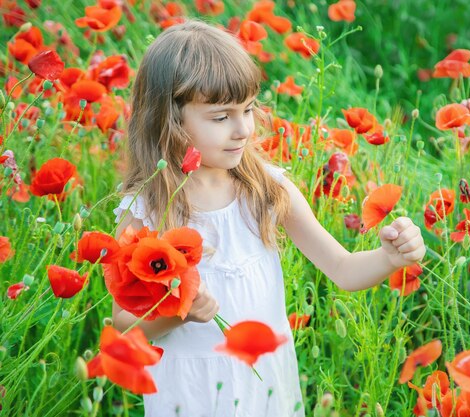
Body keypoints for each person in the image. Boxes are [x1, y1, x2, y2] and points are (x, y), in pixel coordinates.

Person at [112, 19, 426, 417]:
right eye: (221, 117)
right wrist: (176, 311)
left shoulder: (266, 189)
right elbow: (124, 326)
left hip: (266, 386)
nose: (243, 129)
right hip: (189, 392)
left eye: (247, 109)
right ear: (170, 121)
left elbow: (343, 269)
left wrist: (390, 258)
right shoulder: (146, 211)